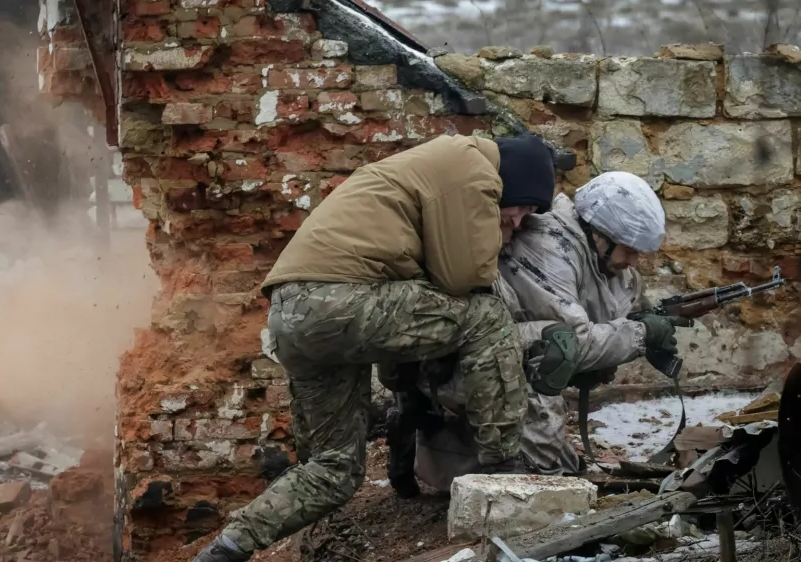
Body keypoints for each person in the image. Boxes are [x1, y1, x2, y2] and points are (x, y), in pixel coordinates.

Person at [192, 132, 558, 562]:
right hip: (336, 301)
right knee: (485, 314)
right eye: (519, 213)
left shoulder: (429, 170)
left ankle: (227, 548)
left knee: (334, 470)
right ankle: (502, 468)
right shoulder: (471, 166)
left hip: (295, 316)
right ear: (514, 184)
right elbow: (464, 277)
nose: (515, 226)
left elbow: (405, 325)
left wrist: (408, 408)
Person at [396, 171, 685, 492]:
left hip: (501, 362)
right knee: (548, 477)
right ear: (600, 235)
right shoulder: (547, 248)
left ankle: (446, 446)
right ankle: (448, 447)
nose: (633, 261)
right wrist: (641, 335)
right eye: (629, 249)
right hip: (466, 368)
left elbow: (610, 311)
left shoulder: (594, 254)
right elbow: (575, 341)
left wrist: (648, 321)